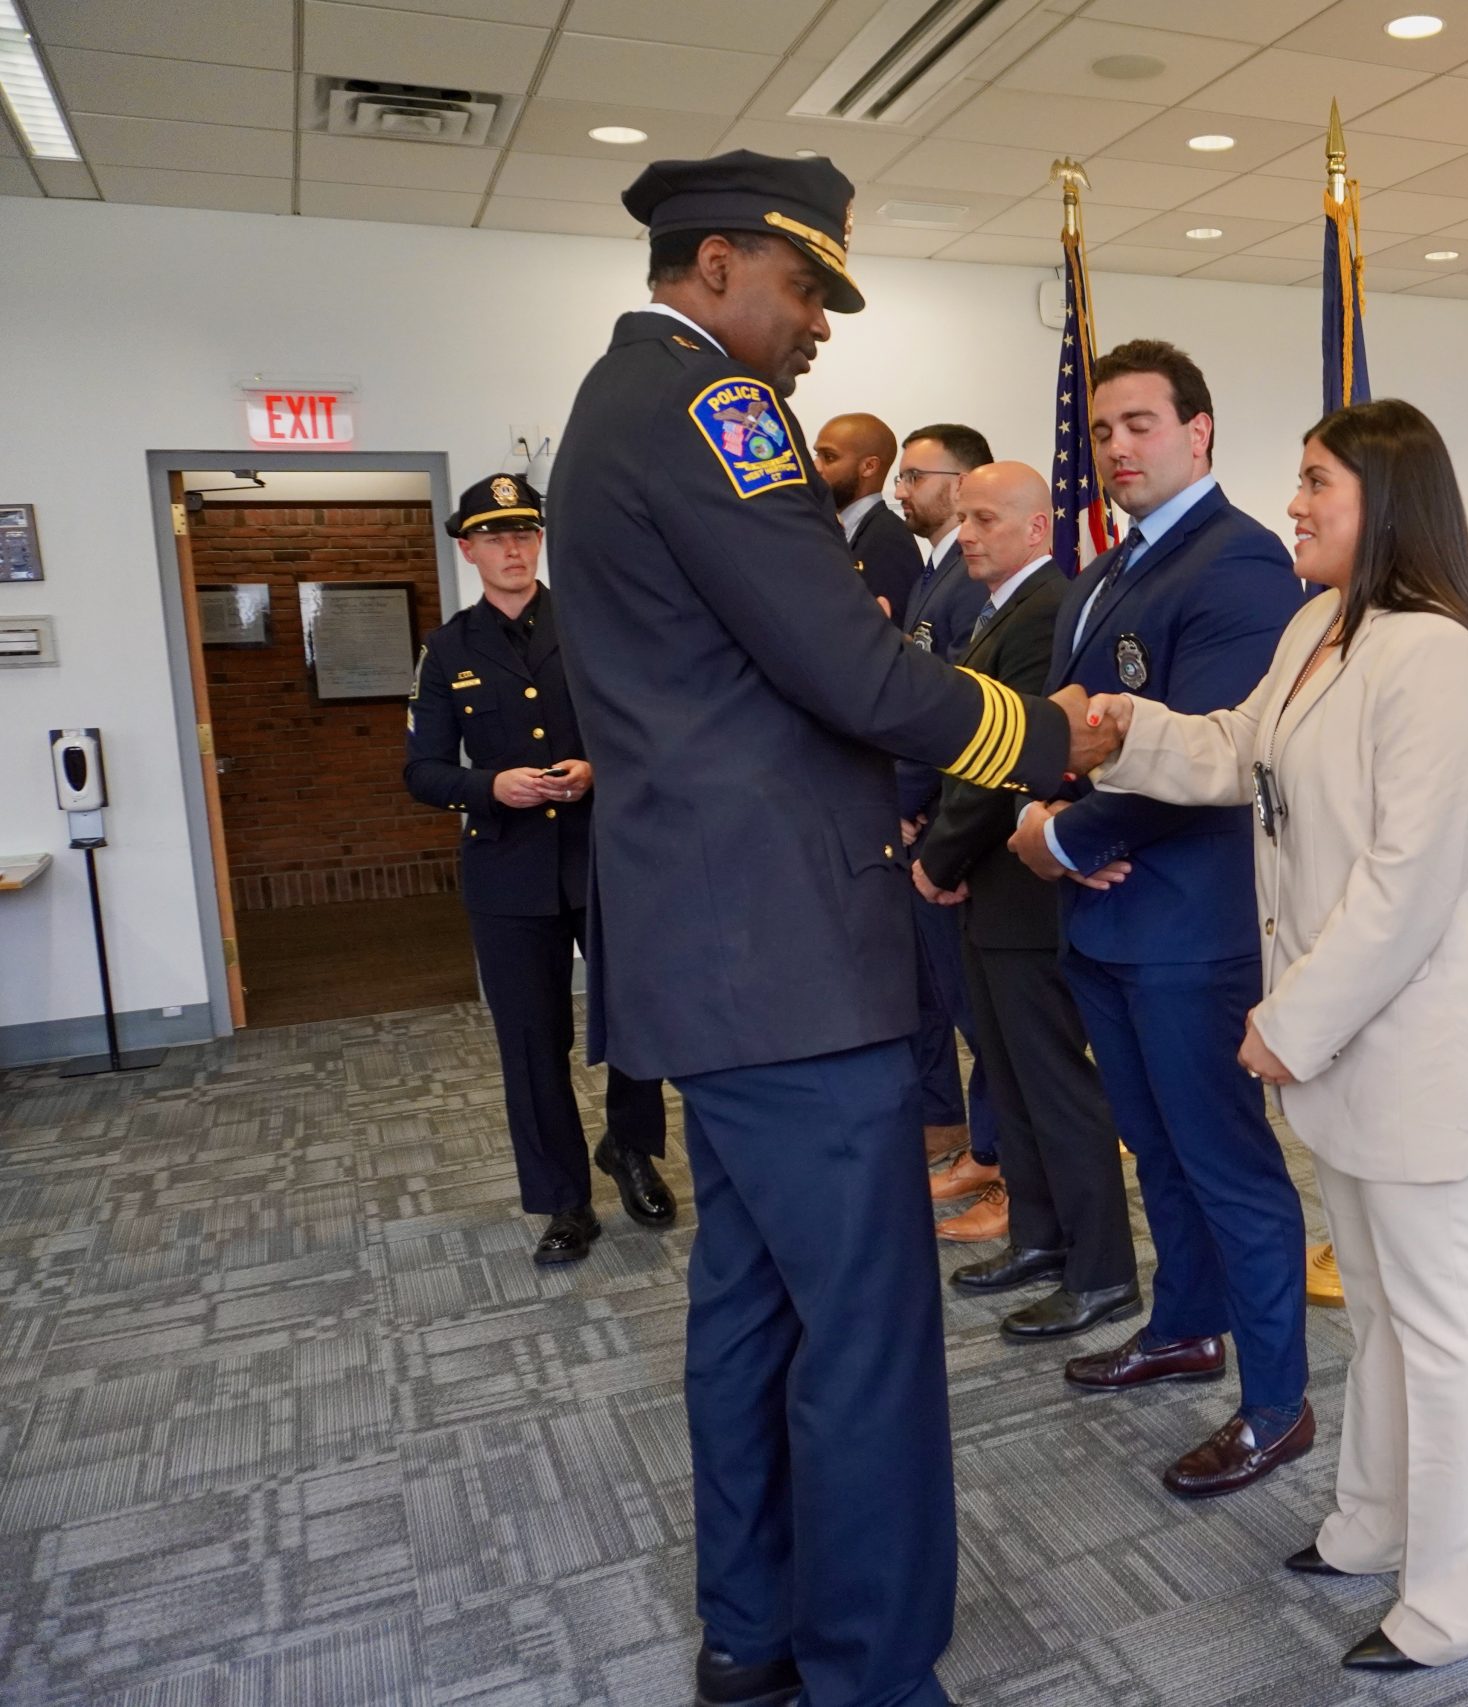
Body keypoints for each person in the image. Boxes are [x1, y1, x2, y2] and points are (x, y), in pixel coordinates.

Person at [544, 149, 1107, 1707]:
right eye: (804, 288)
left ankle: (755, 1633)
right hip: (790, 964)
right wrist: (1052, 735)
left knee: (752, 1306)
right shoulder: (709, 411)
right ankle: (869, 1669)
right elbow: (850, 673)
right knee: (861, 1336)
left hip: (715, 960)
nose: (817, 327)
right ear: (715, 266)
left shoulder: (617, 410)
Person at [1085, 398, 1468, 1673]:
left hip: (1408, 1044)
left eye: (1316, 482)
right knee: (1382, 1306)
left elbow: (1406, 882)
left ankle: (1461, 1595)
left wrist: (1287, 1021)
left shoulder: (1436, 654)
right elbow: (1238, 754)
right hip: (1343, 1048)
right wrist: (1124, 733)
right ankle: (1375, 1525)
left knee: (1441, 1317)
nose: (1292, 502)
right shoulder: (1318, 628)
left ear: (1384, 498)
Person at [1006, 337, 1313, 1498]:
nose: (1118, 447)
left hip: (1189, 925)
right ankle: (1187, 1325)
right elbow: (1069, 728)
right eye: (1103, 430)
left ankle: (1277, 1403)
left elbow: (1211, 757)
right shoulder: (1100, 574)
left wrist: (1064, 841)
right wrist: (1048, 813)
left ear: (1201, 431)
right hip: (1104, 928)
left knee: (1227, 1165)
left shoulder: (1237, 566)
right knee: (1161, 1154)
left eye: (1141, 423)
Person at [402, 472, 672, 1267]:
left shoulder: (592, 624)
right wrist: (491, 785)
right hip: (507, 871)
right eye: (494, 535)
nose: (512, 547)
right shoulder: (448, 648)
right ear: (468, 548)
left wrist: (594, 768)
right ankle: (563, 1199)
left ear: (540, 541)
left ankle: (629, 1146)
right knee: (531, 1040)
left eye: (524, 532)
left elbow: (645, 730)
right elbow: (422, 771)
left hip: (602, 856)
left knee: (634, 1015)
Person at [915, 463, 1140, 1337]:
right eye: (961, 517)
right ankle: (1042, 1238)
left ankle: (1102, 1270)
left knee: (1054, 1084)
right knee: (1009, 1078)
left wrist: (938, 856)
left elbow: (1003, 756)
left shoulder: (1044, 607)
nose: (966, 532)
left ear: (1037, 529)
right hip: (993, 885)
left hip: (1025, 886)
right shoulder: (998, 608)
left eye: (985, 517)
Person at [890, 422, 1006, 1230]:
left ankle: (999, 1162)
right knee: (960, 1002)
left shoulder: (971, 585)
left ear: (961, 482)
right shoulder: (936, 575)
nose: (902, 490)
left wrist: (921, 813)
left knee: (985, 1012)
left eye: (915, 475)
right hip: (926, 817)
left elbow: (959, 717)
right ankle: (986, 1149)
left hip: (953, 826)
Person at [816, 410, 925, 626]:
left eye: (828, 457)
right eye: (816, 455)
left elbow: (885, 635)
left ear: (869, 466)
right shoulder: (835, 528)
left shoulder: (889, 540)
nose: (816, 467)